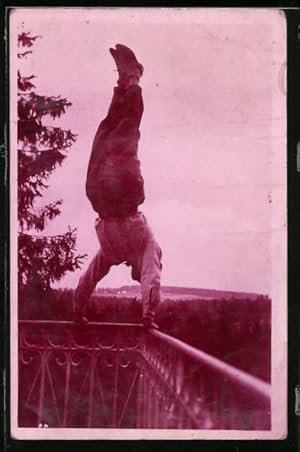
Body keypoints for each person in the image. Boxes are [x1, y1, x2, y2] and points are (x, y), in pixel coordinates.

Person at [73, 44, 162, 329]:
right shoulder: (142, 247)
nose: (137, 272)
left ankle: (124, 82)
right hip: (118, 190)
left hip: (105, 192)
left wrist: (78, 309)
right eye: (137, 273)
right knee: (122, 129)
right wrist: (148, 315)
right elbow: (152, 274)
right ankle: (134, 77)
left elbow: (91, 275)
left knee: (107, 131)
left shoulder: (115, 253)